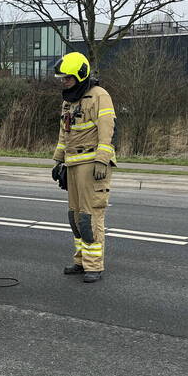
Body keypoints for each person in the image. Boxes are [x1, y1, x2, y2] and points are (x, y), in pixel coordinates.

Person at [51, 52, 116, 283]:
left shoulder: (100, 96)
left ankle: (94, 266)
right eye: (62, 78)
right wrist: (58, 160)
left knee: (90, 217)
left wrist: (102, 160)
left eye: (67, 78)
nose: (64, 81)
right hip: (72, 164)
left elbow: (107, 130)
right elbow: (64, 133)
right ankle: (80, 261)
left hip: (91, 164)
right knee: (75, 217)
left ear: (80, 75)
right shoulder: (69, 101)